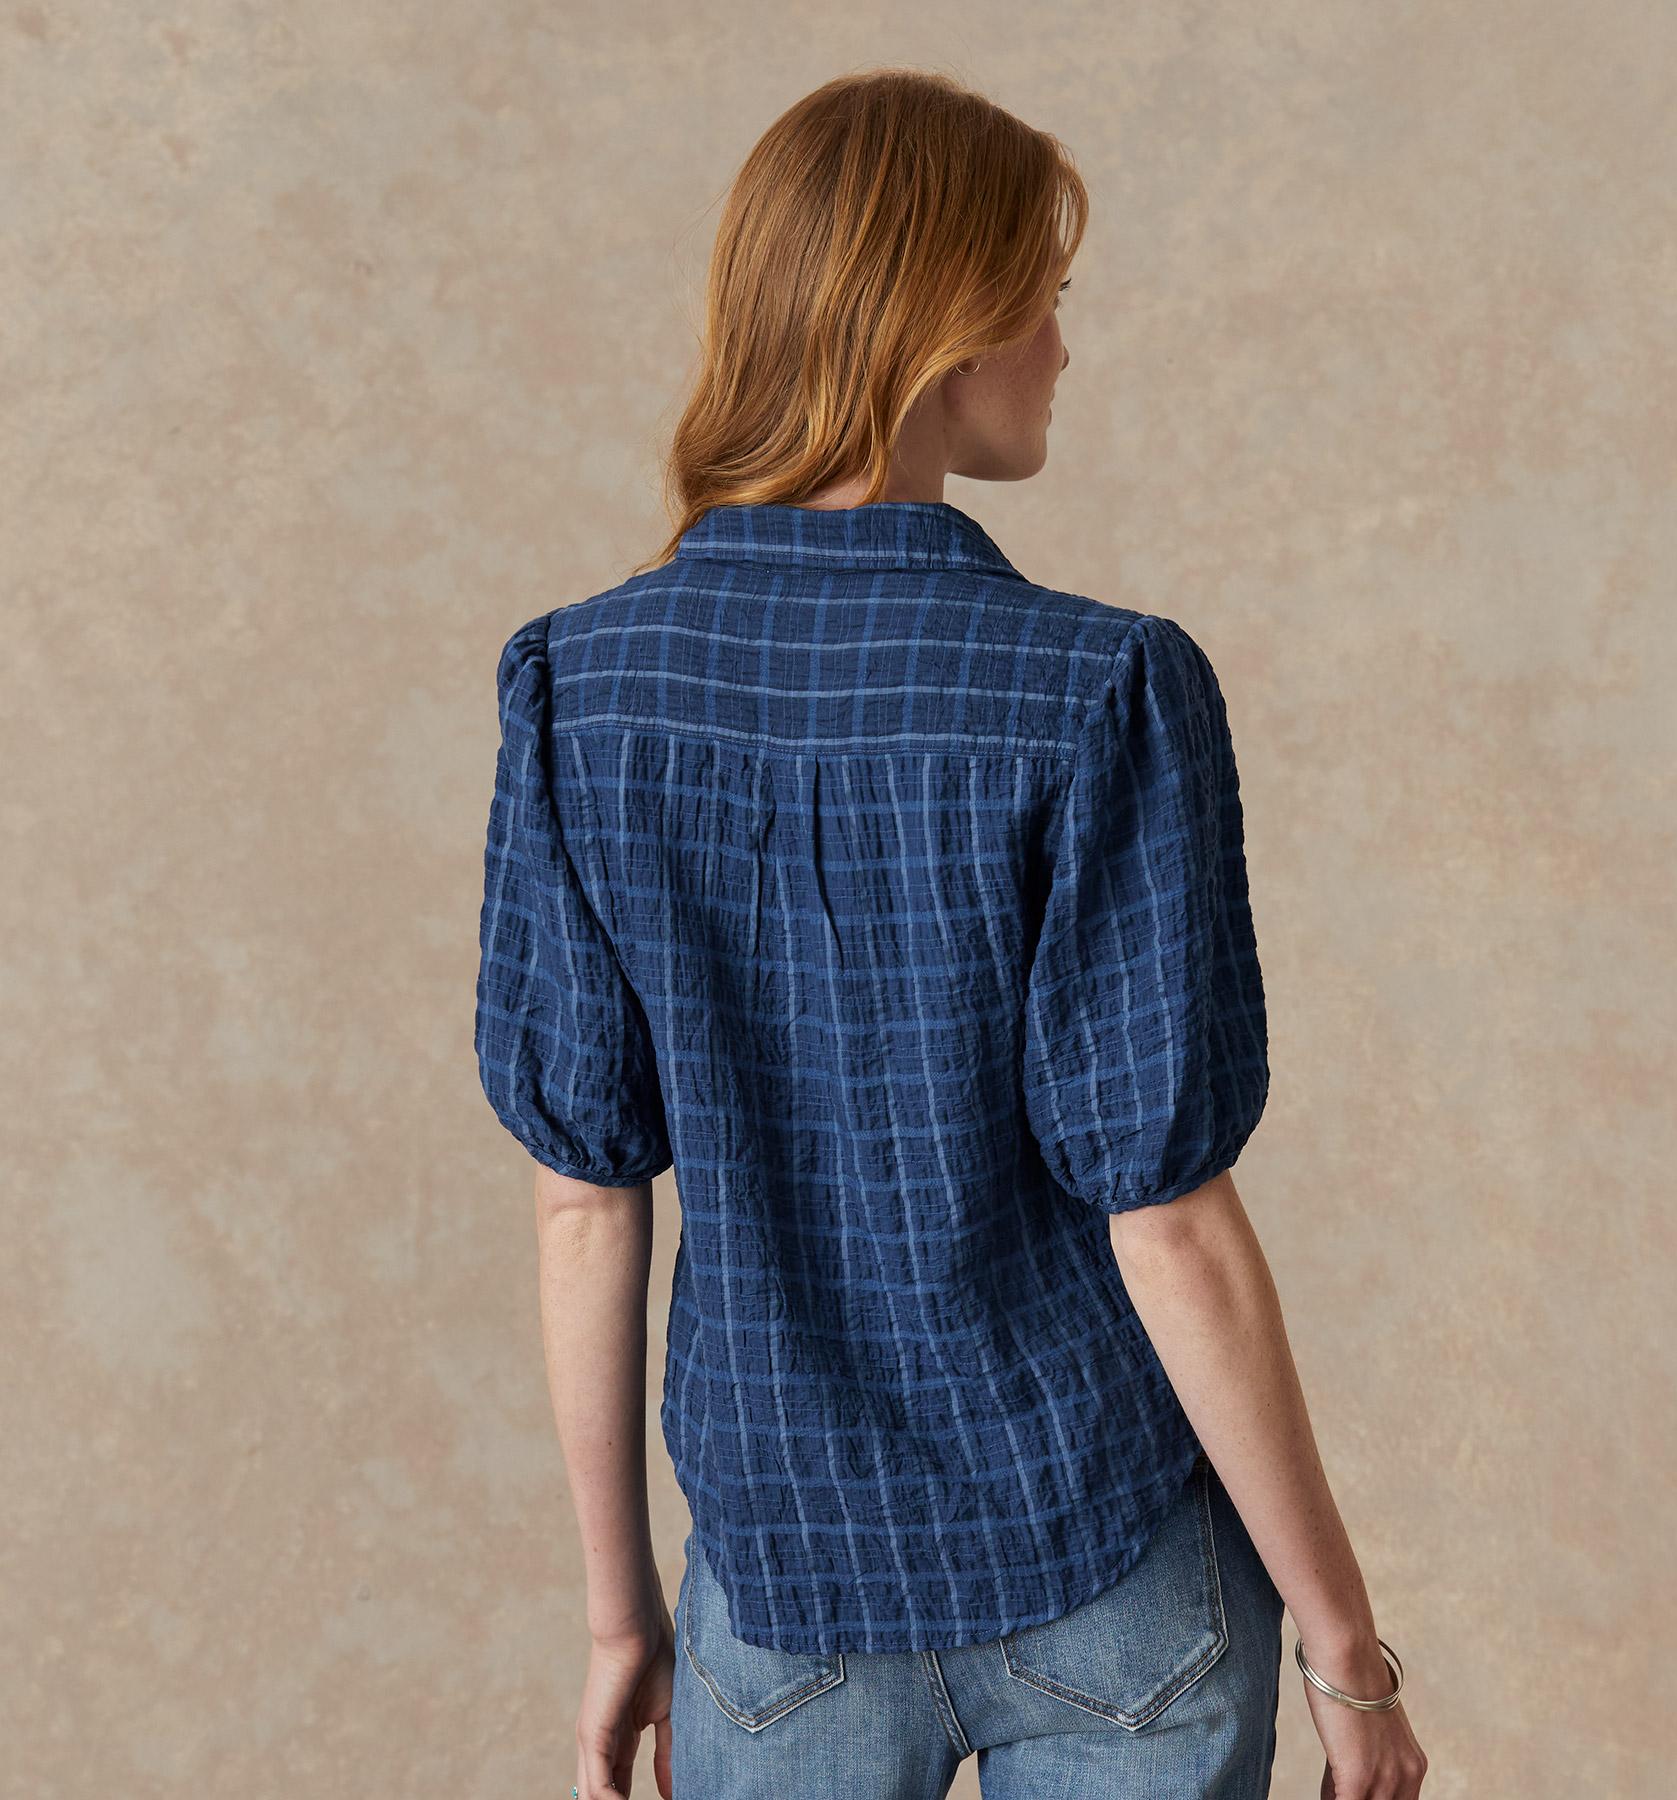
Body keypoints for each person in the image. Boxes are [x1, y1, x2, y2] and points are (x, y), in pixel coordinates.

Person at [473, 66, 1428, 1800]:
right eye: (1046, 298)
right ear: (946, 328)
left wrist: (624, 1617)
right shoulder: (1104, 688)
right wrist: (1344, 1647)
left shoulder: (580, 693)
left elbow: (582, 1198)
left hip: (780, 1598)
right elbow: (1168, 1219)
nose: (1065, 345)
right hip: (1117, 1570)